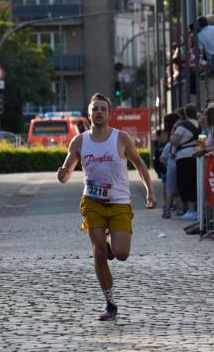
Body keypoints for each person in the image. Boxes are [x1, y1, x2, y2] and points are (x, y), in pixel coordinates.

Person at [56, 92, 156, 321]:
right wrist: (62, 174)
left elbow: (139, 164)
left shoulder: (120, 138)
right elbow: (67, 170)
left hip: (119, 201)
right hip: (92, 203)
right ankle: (110, 303)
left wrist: (150, 191)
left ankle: (111, 244)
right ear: (89, 114)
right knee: (98, 253)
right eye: (95, 109)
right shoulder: (80, 141)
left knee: (121, 254)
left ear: (109, 114)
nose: (98, 112)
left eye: (103, 109)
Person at [170, 103, 201, 221]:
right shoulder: (199, 125)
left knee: (185, 182)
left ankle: (190, 209)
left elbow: (174, 141)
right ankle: (196, 209)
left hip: (183, 157)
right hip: (196, 155)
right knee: (195, 181)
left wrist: (171, 136)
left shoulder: (182, 125)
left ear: (186, 114)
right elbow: (202, 141)